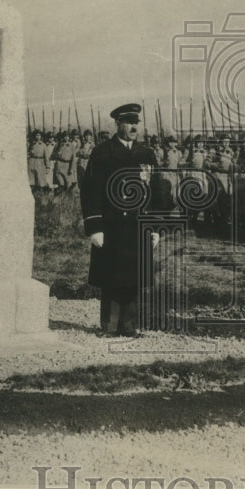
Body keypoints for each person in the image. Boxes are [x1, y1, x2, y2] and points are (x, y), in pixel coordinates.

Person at [81, 103, 159, 337]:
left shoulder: (146, 153)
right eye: (128, 123)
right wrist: (95, 227)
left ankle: (129, 326)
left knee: (134, 276)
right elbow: (90, 191)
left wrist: (155, 227)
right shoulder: (102, 152)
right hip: (112, 225)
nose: (134, 127)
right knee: (112, 276)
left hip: (137, 226)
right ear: (117, 124)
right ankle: (109, 326)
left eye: (136, 123)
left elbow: (155, 191)